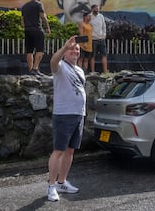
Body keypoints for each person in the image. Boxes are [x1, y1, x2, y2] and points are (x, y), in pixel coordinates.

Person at [47, 36, 86, 202]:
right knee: (59, 151)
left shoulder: (80, 70)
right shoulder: (60, 66)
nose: (75, 51)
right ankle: (51, 186)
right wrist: (64, 47)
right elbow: (53, 61)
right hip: (64, 115)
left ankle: (62, 182)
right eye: (72, 49)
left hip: (79, 114)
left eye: (77, 49)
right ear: (65, 53)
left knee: (70, 151)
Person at [21, 0, 51, 76]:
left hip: (27, 30)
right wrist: (47, 28)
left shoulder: (24, 6)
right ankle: (35, 68)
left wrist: (26, 26)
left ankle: (31, 70)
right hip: (37, 29)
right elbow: (43, 17)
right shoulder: (38, 4)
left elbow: (22, 21)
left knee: (29, 51)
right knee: (40, 50)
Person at [89, 4, 108, 74]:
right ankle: (92, 71)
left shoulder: (101, 16)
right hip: (93, 39)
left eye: (98, 8)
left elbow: (104, 27)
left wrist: (104, 35)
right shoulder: (89, 17)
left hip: (101, 39)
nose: (97, 10)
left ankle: (105, 71)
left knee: (104, 55)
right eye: (95, 8)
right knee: (92, 56)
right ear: (92, 9)